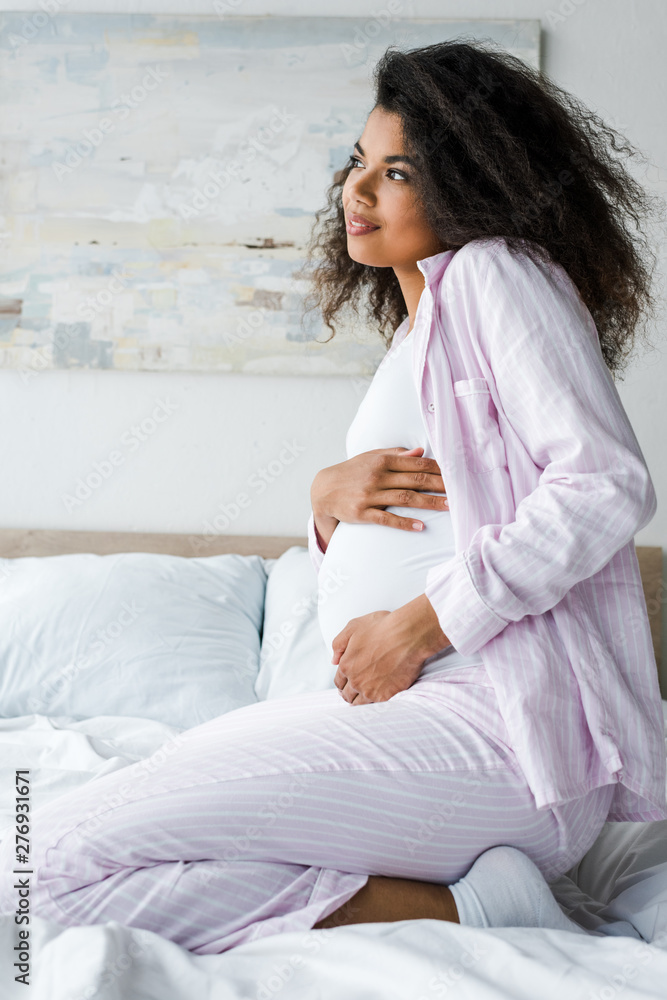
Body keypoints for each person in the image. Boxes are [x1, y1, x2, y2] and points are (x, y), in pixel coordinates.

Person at [0, 37, 665, 955]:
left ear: (471, 183)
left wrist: (421, 623)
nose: (357, 190)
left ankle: (478, 900)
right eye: (358, 162)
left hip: (497, 727)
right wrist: (325, 502)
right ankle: (477, 904)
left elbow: (605, 484)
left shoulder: (494, 271)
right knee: (75, 853)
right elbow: (434, 513)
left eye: (397, 171)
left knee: (45, 868)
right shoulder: (421, 327)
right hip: (420, 718)